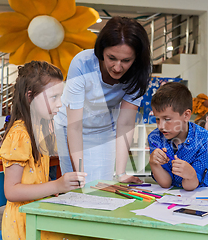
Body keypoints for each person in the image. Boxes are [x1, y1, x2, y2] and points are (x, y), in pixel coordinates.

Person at [0, 61, 116, 240]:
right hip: (23, 224)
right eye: (53, 97)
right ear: (30, 96)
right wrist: (58, 185)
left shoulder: (39, 129)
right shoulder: (20, 134)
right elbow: (11, 192)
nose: (60, 103)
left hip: (38, 217)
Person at [121, 82, 208, 240]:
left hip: (197, 205)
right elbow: (164, 183)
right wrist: (154, 163)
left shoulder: (207, 140)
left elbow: (191, 186)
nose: (161, 125)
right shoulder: (155, 137)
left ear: (186, 115)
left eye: (167, 119)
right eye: (157, 119)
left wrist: (190, 173)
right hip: (166, 203)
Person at [55, 16, 152, 185]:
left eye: (126, 60)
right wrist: (80, 173)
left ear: (136, 58)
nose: (117, 67)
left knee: (102, 185)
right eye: (111, 58)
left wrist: (121, 173)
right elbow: (75, 126)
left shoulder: (139, 72)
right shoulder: (82, 64)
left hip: (103, 127)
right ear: (102, 51)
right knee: (77, 185)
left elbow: (126, 123)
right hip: (70, 125)